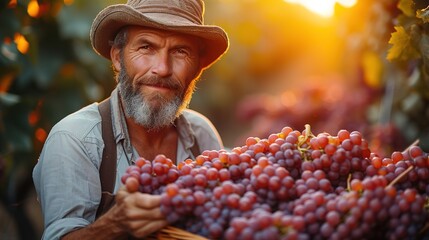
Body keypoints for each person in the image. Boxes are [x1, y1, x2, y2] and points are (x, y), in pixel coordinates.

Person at [32, 0, 229, 239]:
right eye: (146, 47)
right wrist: (114, 225)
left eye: (180, 51)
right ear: (117, 57)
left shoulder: (202, 133)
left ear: (197, 68)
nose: (162, 68)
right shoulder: (75, 139)